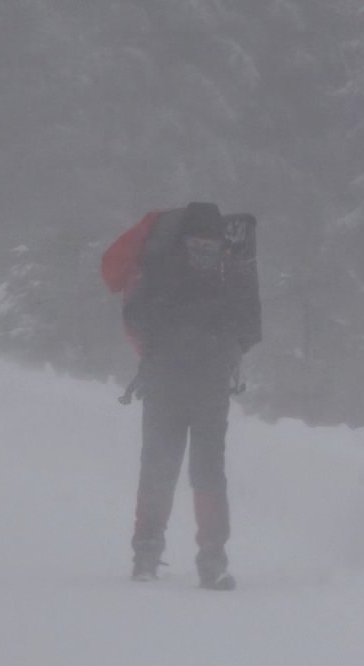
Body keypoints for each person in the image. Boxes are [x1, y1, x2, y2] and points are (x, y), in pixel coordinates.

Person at [101, 202, 261, 590]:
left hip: (164, 380)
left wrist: (159, 347)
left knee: (158, 468)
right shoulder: (229, 269)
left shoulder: (160, 267)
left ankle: (146, 555)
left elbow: (136, 316)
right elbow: (249, 327)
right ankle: (212, 560)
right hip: (209, 384)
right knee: (208, 471)